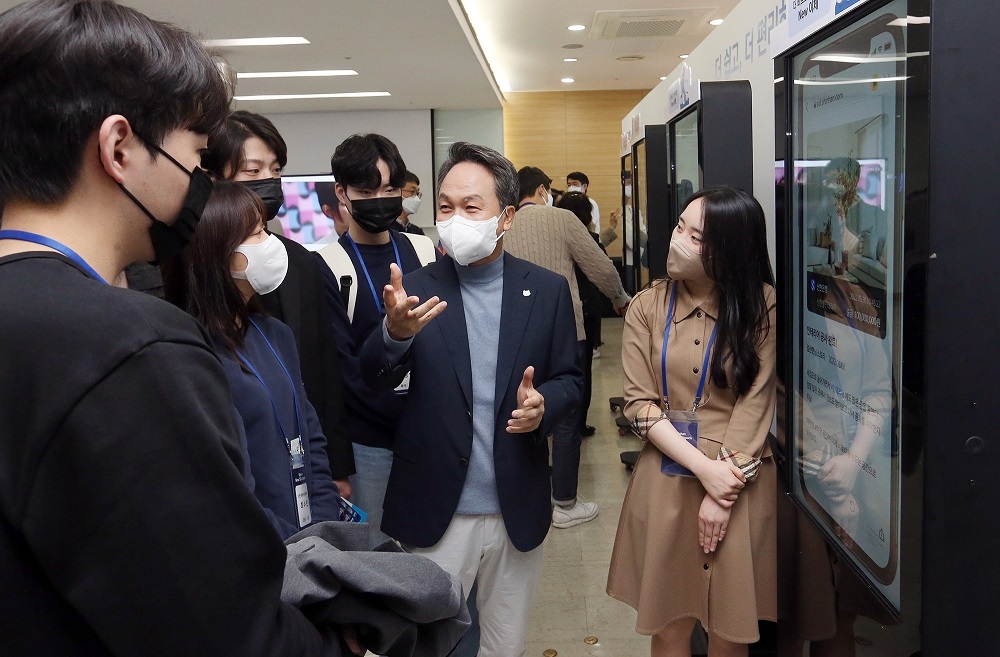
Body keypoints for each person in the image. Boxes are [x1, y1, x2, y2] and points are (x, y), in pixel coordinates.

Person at [0, 1, 345, 653]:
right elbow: (229, 630)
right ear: (120, 147)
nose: (200, 184)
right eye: (195, 156)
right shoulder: (131, 348)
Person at [360, 142, 582, 657]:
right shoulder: (413, 289)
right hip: (437, 510)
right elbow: (371, 375)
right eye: (445, 206)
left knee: (504, 647)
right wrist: (394, 335)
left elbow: (571, 380)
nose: (454, 218)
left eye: (470, 207)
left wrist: (543, 404)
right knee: (427, 644)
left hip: (515, 505)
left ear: (505, 216)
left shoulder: (545, 290)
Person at [607, 187, 777, 657]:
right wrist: (705, 472)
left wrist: (723, 492)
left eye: (696, 236)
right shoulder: (647, 306)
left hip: (739, 482)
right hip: (669, 472)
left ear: (729, 249)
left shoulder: (763, 306)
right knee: (671, 624)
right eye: (680, 226)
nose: (678, 240)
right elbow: (639, 405)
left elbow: (755, 404)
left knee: (729, 629)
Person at [162, 181, 344, 539]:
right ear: (216, 252)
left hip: (309, 535)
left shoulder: (274, 332)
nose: (271, 244)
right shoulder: (192, 352)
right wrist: (291, 546)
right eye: (256, 234)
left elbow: (311, 436)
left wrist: (323, 531)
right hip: (256, 544)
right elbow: (227, 488)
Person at [202, 110, 354, 499]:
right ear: (213, 178)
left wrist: (336, 470)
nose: (268, 182)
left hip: (304, 465)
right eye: (252, 171)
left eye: (275, 170)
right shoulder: (191, 268)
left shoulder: (299, 261)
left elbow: (322, 369)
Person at [317, 133, 436, 546]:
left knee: (435, 550)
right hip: (370, 441)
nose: (380, 199)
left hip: (430, 430)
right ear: (342, 193)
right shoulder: (327, 265)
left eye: (389, 189)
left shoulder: (423, 250)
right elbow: (340, 367)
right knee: (380, 553)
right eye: (366, 191)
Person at [506, 168, 630, 529]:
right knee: (565, 419)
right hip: (565, 333)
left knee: (521, 413)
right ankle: (563, 504)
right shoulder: (561, 218)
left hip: (515, 337)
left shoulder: (504, 223)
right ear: (542, 190)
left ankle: (524, 498)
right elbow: (599, 267)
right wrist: (620, 299)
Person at [556, 191, 615, 437]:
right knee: (583, 369)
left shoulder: (555, 237)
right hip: (586, 310)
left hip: (560, 309)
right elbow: (602, 269)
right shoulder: (588, 237)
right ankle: (578, 423)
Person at [395, 170, 426, 235]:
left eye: (417, 193)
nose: (416, 198)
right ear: (397, 192)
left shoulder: (417, 232)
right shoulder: (385, 232)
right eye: (412, 191)